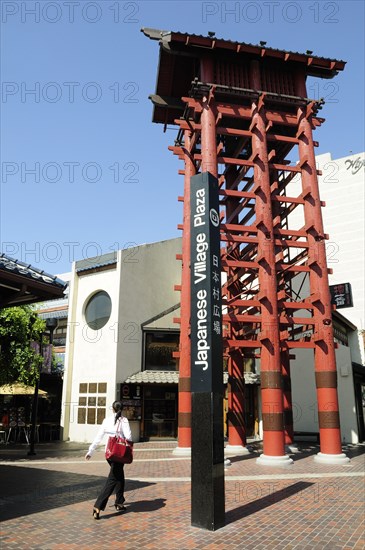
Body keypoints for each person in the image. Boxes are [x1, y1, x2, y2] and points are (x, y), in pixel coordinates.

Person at [85, 400, 132, 519]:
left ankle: (119, 502)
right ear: (122, 409)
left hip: (109, 454)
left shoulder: (106, 420)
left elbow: (99, 437)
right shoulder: (124, 421)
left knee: (119, 475)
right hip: (119, 454)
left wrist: (91, 451)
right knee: (112, 479)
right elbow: (129, 437)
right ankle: (98, 506)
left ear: (113, 409)